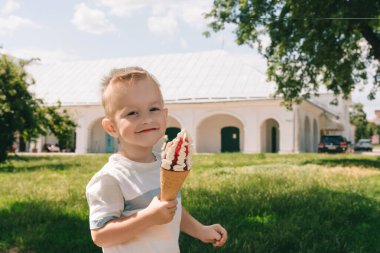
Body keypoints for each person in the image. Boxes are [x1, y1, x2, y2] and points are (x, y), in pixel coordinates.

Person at [86, 66, 227, 253]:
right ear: (111, 127)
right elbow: (101, 235)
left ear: (165, 115)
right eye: (132, 113)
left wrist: (200, 230)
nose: (146, 119)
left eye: (153, 109)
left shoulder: (165, 165)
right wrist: (148, 217)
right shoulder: (110, 178)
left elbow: (171, 209)